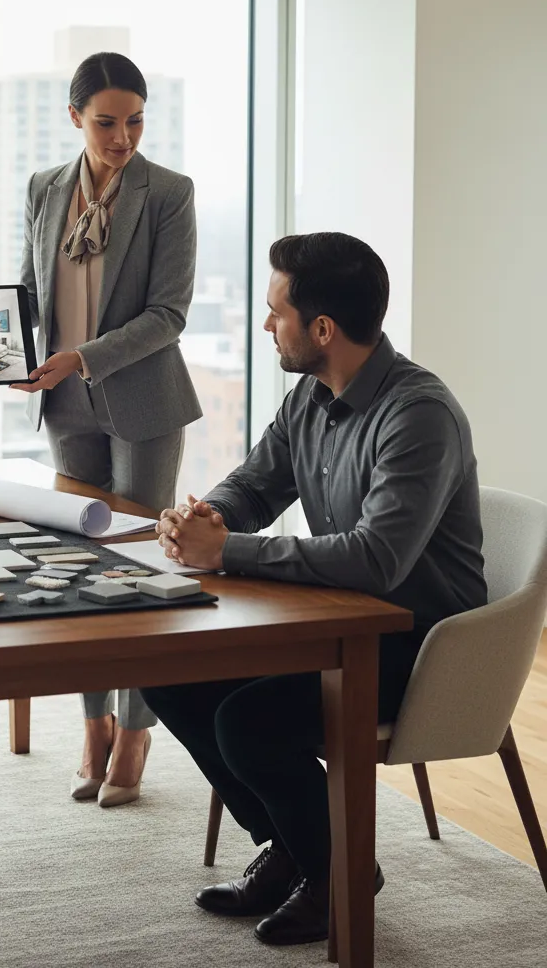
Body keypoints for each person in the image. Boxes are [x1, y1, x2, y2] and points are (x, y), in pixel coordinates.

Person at [141, 231, 487, 946]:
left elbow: (376, 560)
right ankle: (298, 850)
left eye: (276, 312)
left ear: (322, 329)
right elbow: (258, 482)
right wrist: (209, 518)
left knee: (249, 721)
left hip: (419, 645)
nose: (267, 325)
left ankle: (341, 876)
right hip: (335, 626)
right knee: (168, 674)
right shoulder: (310, 395)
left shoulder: (417, 416)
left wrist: (227, 551)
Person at [9, 52, 202, 808]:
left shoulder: (169, 195)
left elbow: (169, 314)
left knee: (141, 568)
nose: (123, 137)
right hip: (67, 405)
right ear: (75, 118)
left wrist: (80, 358)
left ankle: (137, 727)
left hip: (144, 400)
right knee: (81, 567)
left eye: (135, 121)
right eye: (106, 122)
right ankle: (92, 722)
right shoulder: (44, 189)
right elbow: (29, 293)